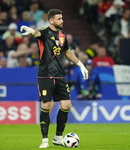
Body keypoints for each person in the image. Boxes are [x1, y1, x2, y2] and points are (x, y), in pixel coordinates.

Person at [20, 9, 88, 148]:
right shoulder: (45, 32)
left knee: (67, 105)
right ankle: (44, 140)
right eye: (59, 19)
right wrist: (30, 30)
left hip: (60, 75)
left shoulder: (62, 35)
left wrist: (80, 65)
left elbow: (67, 51)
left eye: (62, 18)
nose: (62, 21)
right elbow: (36, 33)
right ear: (51, 21)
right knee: (45, 105)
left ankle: (58, 138)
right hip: (45, 75)